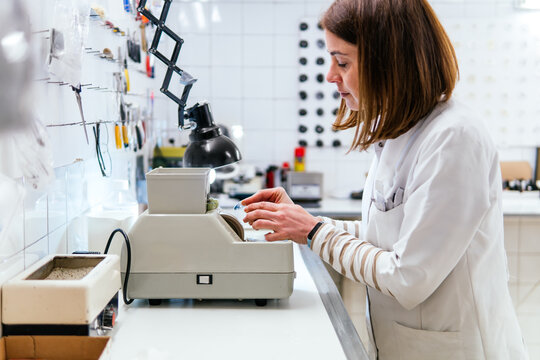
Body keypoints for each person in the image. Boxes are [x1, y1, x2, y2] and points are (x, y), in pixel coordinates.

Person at [241, 0, 528, 359]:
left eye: (342, 61)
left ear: (388, 62)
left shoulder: (454, 138)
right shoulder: (397, 134)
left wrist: (314, 233)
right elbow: (388, 239)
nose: (331, 75)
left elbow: (408, 277)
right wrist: (305, 221)